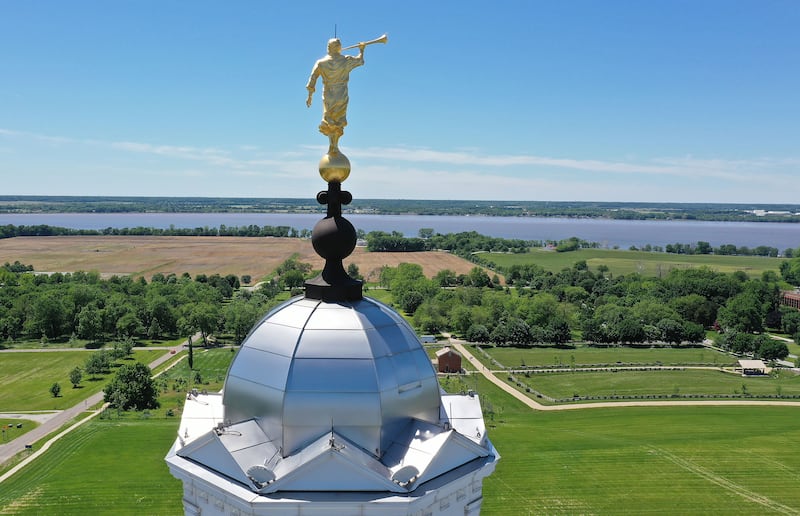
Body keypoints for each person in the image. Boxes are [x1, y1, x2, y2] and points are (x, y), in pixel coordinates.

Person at [306, 38, 366, 154]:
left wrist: (310, 96)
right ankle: (334, 146)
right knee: (338, 120)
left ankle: (333, 146)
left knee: (329, 119)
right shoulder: (345, 60)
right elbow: (360, 61)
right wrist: (362, 50)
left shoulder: (321, 63)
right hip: (341, 93)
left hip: (328, 93)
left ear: (329, 48)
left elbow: (313, 78)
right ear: (338, 47)